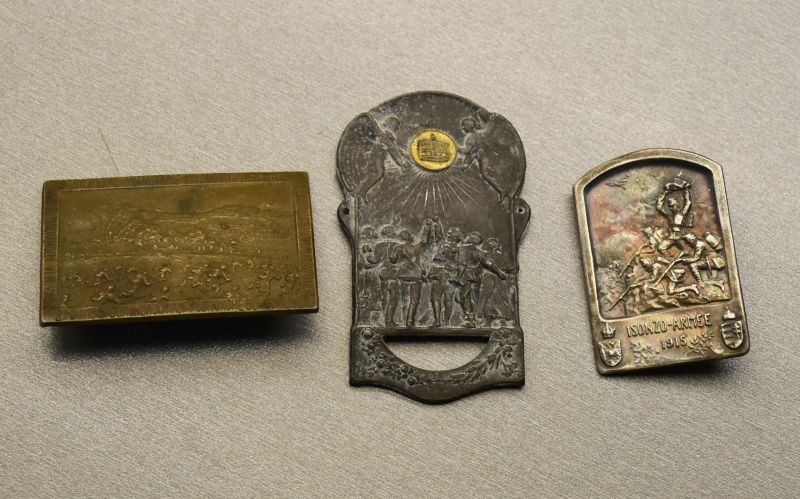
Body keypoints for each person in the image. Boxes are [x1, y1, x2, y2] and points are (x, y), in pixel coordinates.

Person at [428, 227, 461, 327]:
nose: (448, 234)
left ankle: (440, 321)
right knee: (445, 300)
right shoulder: (460, 248)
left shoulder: (446, 245)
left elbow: (437, 259)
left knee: (439, 298)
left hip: (443, 274)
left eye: (450, 233)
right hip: (449, 275)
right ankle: (443, 322)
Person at [477, 238, 513, 326]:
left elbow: (510, 267)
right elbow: (489, 265)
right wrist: (500, 273)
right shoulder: (485, 255)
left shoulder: (498, 256)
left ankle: (501, 318)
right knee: (490, 297)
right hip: (490, 279)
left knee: (497, 296)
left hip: (496, 280)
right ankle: (491, 318)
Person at [392, 230, 423, 327]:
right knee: (414, 299)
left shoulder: (398, 247)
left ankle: (405, 319)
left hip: (403, 275)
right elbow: (424, 240)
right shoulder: (416, 247)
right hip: (415, 275)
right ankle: (409, 320)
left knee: (404, 298)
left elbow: (393, 260)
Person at [656, 184, 692, 254]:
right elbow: (659, 208)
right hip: (672, 236)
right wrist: (664, 193)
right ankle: (667, 259)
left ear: (677, 204)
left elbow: (688, 203)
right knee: (660, 248)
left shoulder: (682, 213)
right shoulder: (669, 215)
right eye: (670, 207)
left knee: (686, 251)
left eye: (673, 206)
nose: (671, 208)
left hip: (681, 236)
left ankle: (683, 257)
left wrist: (686, 190)